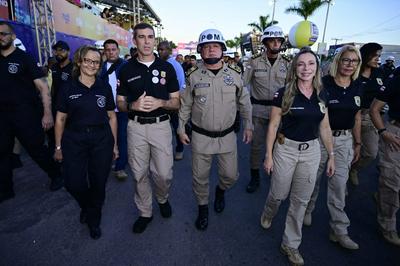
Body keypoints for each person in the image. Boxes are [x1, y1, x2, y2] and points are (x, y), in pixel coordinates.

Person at [261, 47, 335, 266]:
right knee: (279, 193)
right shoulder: (283, 93)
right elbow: (273, 125)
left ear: (317, 67)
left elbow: (325, 126)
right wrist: (268, 155)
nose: (306, 68)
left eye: (311, 64)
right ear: (295, 67)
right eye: (301, 64)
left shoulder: (322, 94)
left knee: (300, 201)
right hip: (286, 149)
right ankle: (269, 211)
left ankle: (290, 244)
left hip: (311, 151)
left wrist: (330, 155)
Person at [178, 29, 253, 231]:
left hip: (227, 137)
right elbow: (185, 104)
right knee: (199, 178)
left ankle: (220, 191)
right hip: (201, 137)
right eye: (207, 47)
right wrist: (180, 128)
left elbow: (245, 102)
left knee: (230, 175)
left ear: (222, 50)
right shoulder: (193, 76)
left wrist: (248, 125)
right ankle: (203, 208)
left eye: (215, 46)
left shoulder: (235, 75)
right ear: (201, 51)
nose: (211, 50)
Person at [116, 23, 180, 234]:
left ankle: (162, 198)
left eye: (150, 37)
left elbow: (176, 102)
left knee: (163, 174)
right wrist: (132, 105)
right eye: (141, 37)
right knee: (139, 173)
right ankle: (145, 211)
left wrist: (160, 103)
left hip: (161, 126)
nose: (146, 41)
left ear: (154, 39)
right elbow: (120, 103)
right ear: (134, 41)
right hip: (135, 127)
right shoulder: (125, 69)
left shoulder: (167, 68)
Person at [54, 45, 118, 239]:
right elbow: (60, 119)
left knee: (98, 183)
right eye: (88, 60)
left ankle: (94, 219)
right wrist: (57, 147)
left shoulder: (103, 86)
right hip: (74, 139)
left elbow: (112, 117)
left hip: (101, 140)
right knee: (73, 183)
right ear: (80, 61)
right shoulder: (67, 87)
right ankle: (87, 206)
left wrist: (114, 145)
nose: (92, 65)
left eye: (96, 62)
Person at [304, 45, 362, 250]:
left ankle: (339, 229)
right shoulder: (324, 84)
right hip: (321, 138)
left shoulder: (357, 86)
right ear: (338, 61)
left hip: (345, 141)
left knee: (339, 186)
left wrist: (357, 143)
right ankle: (307, 209)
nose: (349, 65)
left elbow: (357, 116)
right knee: (313, 179)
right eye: (346, 60)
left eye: (354, 61)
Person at [0, 21, 62, 203]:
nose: (0, 37)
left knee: (36, 149)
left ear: (12, 37)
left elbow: (43, 88)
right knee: (2, 153)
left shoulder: (24, 58)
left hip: (25, 114)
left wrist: (47, 113)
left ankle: (56, 175)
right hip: (2, 117)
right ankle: (5, 189)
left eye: (4, 34)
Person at [243, 25, 290, 193]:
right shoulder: (254, 61)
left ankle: (275, 174)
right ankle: (255, 177)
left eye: (279, 40)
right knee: (256, 147)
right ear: (265, 42)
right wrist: (244, 116)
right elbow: (243, 87)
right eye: (272, 40)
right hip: (258, 112)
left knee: (279, 147)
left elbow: (291, 89)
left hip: (280, 113)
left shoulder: (287, 64)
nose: (276, 43)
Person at [370, 75, 400, 246]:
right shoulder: (397, 77)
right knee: (391, 183)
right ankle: (387, 225)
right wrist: (384, 132)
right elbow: (375, 108)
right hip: (395, 135)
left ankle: (383, 198)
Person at [349, 43, 384, 186]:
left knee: (371, 152)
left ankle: (354, 169)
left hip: (371, 117)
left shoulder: (379, 73)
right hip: (351, 117)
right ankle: (341, 178)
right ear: (366, 56)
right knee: (348, 153)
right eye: (375, 56)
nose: (378, 59)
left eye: (379, 56)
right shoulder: (353, 73)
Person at [100, 39, 128, 180]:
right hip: (106, 111)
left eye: (113, 49)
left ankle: (120, 167)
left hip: (123, 110)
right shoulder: (100, 68)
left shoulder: (126, 66)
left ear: (118, 50)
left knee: (122, 138)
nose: (111, 52)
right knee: (108, 138)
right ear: (104, 51)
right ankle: (113, 159)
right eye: (108, 50)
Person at [157, 41, 186, 160]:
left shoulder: (173, 65)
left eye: (162, 49)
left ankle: (180, 149)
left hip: (173, 102)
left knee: (176, 126)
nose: (160, 51)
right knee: (162, 128)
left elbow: (180, 84)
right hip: (162, 102)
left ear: (169, 51)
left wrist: (176, 101)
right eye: (159, 49)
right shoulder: (160, 64)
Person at [48, 40, 73, 152]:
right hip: (55, 106)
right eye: (56, 51)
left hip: (69, 109)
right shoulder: (54, 67)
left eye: (61, 50)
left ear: (68, 52)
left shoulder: (74, 69)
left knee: (68, 135)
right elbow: (53, 86)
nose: (58, 53)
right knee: (53, 135)